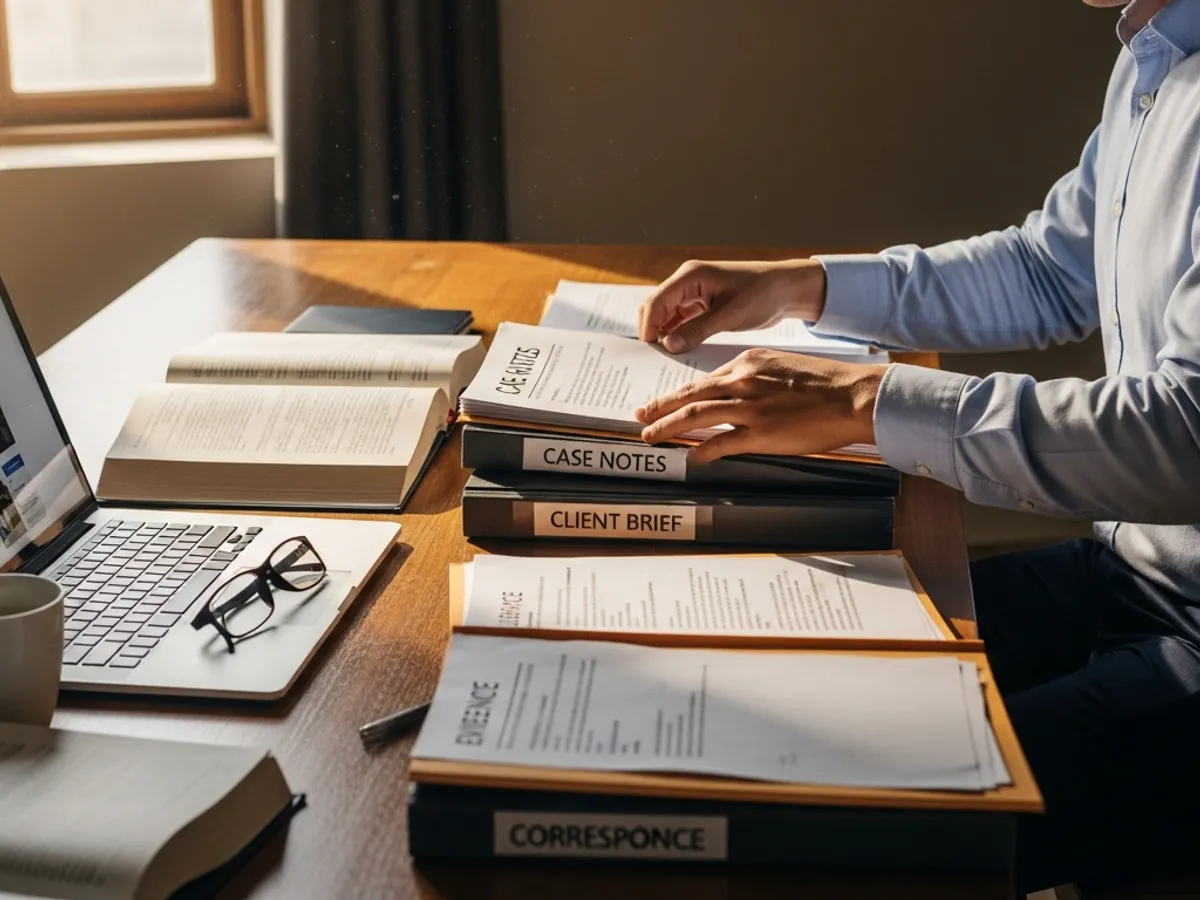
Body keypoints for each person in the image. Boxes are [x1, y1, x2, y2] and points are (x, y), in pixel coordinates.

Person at [635, 0, 1200, 891]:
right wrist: (804, 287)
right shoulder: (1155, 50)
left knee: (861, 834)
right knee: (787, 692)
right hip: (1134, 573)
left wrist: (870, 400)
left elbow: (1186, 438)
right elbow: (1050, 271)